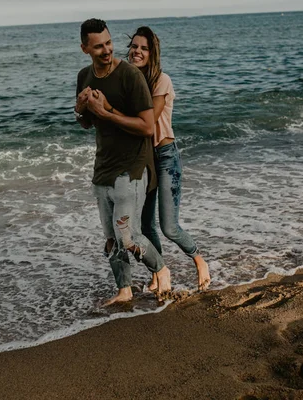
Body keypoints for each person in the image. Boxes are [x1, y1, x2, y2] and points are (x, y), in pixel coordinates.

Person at [98, 26, 211, 291]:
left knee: (169, 227)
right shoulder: (125, 80)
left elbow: (146, 120)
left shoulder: (162, 80)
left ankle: (198, 259)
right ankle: (158, 273)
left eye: (144, 48)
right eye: (134, 47)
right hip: (142, 159)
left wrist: (109, 107)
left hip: (165, 158)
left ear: (152, 53)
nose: (137, 51)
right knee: (146, 226)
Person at [74, 18, 171, 306]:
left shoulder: (130, 75)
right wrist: (80, 110)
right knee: (111, 241)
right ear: (85, 49)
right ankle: (124, 290)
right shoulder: (84, 76)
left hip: (132, 168)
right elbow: (85, 124)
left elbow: (146, 127)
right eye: (98, 46)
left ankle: (161, 270)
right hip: (103, 167)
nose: (106, 50)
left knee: (128, 236)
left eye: (109, 43)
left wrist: (106, 114)